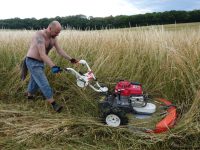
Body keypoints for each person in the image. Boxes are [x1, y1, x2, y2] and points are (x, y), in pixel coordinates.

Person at [23, 20, 78, 113]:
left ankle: (29, 95)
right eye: (56, 32)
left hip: (40, 63)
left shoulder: (53, 37)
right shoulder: (39, 36)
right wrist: (53, 66)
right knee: (43, 83)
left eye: (59, 33)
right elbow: (42, 54)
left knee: (35, 81)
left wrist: (70, 59)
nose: (57, 34)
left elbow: (59, 50)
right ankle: (54, 104)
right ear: (49, 28)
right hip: (32, 62)